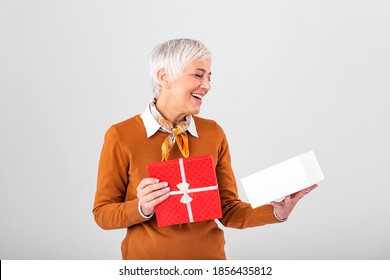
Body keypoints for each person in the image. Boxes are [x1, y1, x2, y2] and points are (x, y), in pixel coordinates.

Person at [92, 38, 317, 260]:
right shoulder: (121, 135)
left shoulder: (213, 133)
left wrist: (278, 212)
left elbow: (228, 210)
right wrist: (141, 207)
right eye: (198, 75)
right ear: (164, 77)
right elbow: (103, 214)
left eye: (209, 77)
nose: (207, 85)